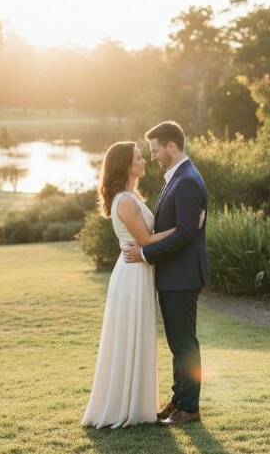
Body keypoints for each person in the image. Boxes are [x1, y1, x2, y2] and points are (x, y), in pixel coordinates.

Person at [81, 141, 175, 428]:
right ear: (125, 165)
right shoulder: (124, 200)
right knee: (129, 335)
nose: (144, 160)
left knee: (139, 334)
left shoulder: (133, 196)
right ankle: (124, 406)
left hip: (139, 270)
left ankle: (137, 402)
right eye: (138, 157)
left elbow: (146, 238)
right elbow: (146, 241)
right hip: (132, 273)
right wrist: (181, 229)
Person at [124, 120, 209, 427]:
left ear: (172, 146)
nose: (154, 156)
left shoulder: (186, 180)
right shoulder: (178, 176)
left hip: (182, 276)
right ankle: (178, 399)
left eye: (157, 150)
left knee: (184, 342)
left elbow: (186, 233)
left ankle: (189, 408)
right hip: (175, 275)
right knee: (178, 342)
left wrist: (145, 253)